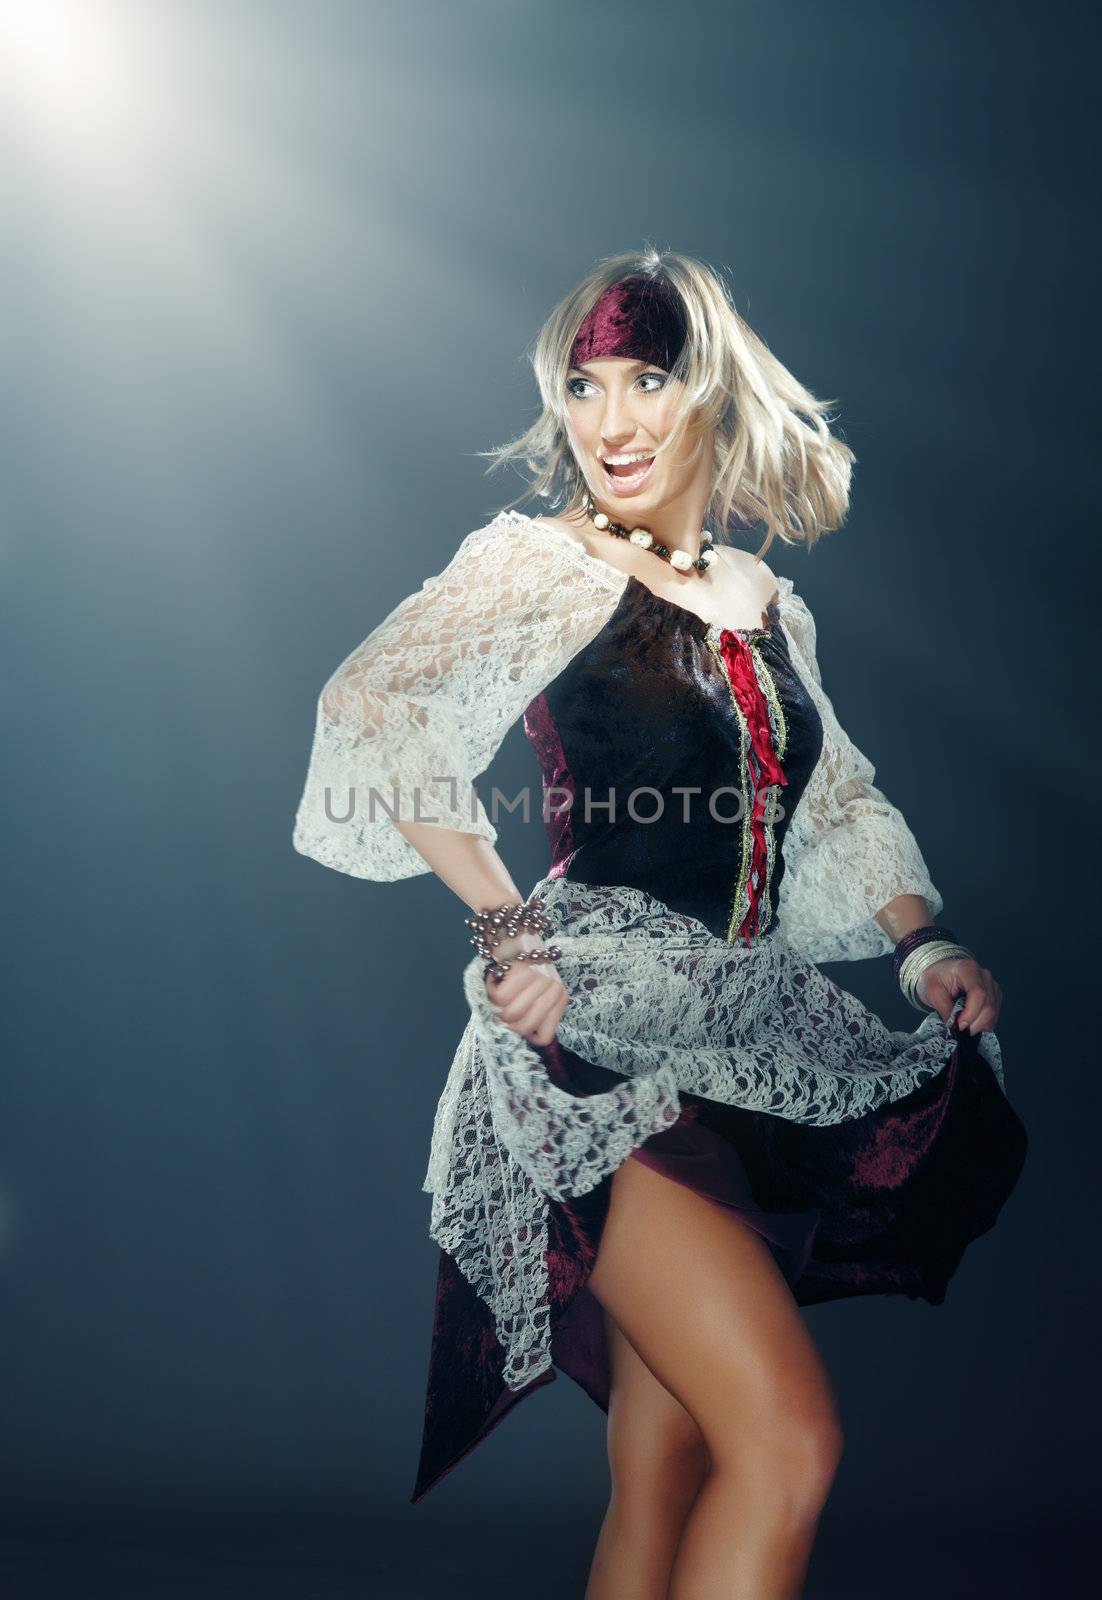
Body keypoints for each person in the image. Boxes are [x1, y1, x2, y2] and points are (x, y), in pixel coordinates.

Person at [292, 250, 1027, 1599]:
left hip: (738, 1037)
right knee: (788, 1444)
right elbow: (374, 711)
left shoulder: (764, 602)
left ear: (708, 393)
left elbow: (840, 800)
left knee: (666, 1455)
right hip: (599, 1048)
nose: (610, 418)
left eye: (646, 378)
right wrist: (507, 932)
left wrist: (919, 941)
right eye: (581, 385)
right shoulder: (540, 568)